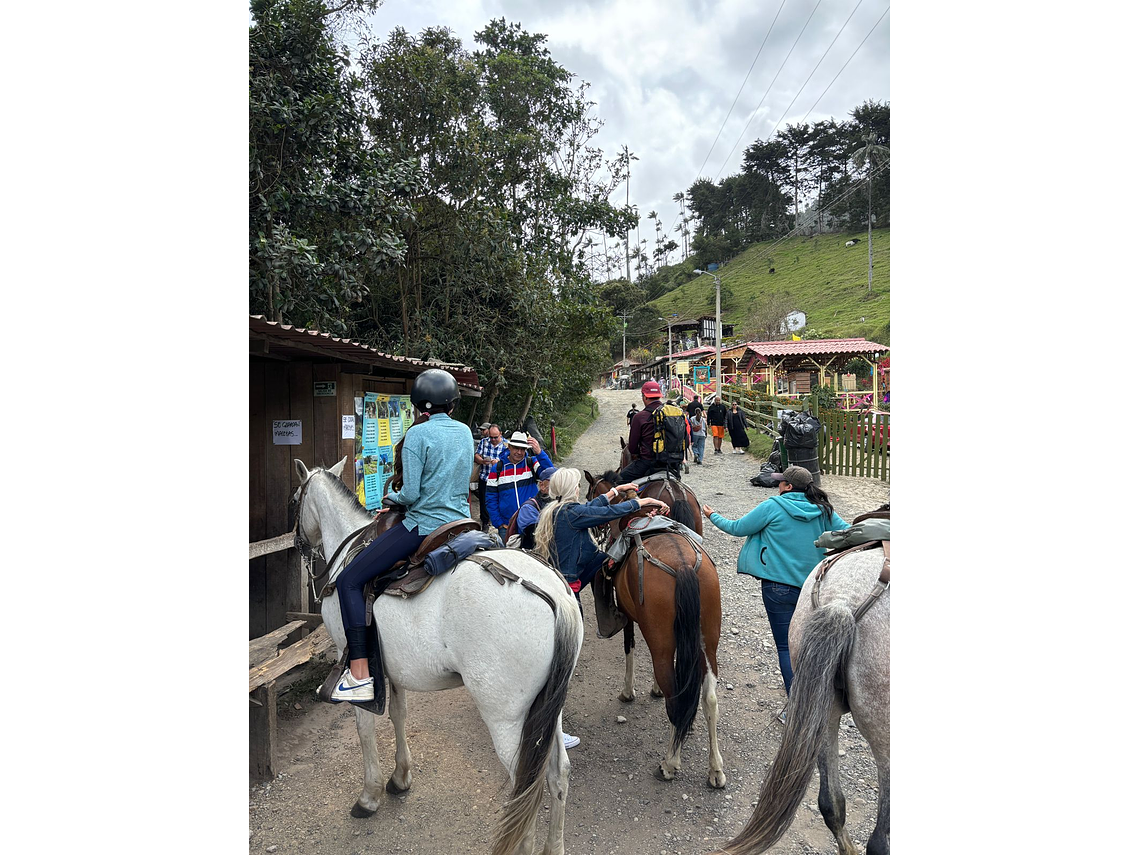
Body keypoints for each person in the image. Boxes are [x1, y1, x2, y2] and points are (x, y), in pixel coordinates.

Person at [331, 369, 473, 703]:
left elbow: (409, 493)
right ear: (452, 404)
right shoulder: (466, 432)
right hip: (463, 523)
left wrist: (391, 499)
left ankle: (360, 674)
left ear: (421, 406)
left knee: (348, 580)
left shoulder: (417, 436)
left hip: (425, 525)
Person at [533, 468, 670, 750]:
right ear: (572, 490)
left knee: (556, 664)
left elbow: (593, 508)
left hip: (558, 587)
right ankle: (550, 732)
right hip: (566, 598)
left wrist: (613, 492)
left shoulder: (557, 510)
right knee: (561, 667)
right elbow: (602, 515)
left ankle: (546, 725)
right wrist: (640, 503)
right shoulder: (572, 515)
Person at [700, 465, 849, 695]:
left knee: (786, 647)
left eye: (781, 482)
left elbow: (738, 528)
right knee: (811, 645)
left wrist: (712, 515)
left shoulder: (773, 506)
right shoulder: (823, 509)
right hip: (813, 588)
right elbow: (847, 533)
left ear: (788, 486)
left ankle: (796, 703)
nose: (778, 485)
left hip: (777, 589)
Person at [486, 431, 553, 541]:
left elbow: (551, 474)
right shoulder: (498, 468)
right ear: (510, 447)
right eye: (516, 448)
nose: (519, 452)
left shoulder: (531, 463)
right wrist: (499, 523)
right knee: (509, 556)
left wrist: (540, 453)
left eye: (522, 449)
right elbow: (491, 497)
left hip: (532, 522)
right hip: (507, 526)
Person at [617, 380, 669, 482]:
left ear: (644, 396)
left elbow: (632, 448)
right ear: (659, 396)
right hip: (671, 464)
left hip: (647, 463)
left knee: (618, 479)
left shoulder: (639, 417)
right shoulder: (671, 413)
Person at [474, 424, 509, 529]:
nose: (493, 439)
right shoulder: (484, 442)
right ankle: (485, 522)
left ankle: (500, 522)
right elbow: (476, 455)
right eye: (491, 437)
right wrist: (481, 461)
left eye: (495, 437)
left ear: (500, 434)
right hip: (485, 477)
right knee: (484, 502)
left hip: (500, 479)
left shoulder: (506, 445)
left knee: (500, 501)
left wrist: (499, 463)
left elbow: (510, 462)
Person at [514, 465, 557, 548]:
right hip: (533, 557)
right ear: (542, 486)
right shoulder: (528, 508)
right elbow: (537, 538)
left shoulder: (559, 503)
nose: (560, 486)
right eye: (555, 483)